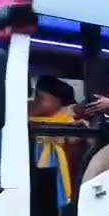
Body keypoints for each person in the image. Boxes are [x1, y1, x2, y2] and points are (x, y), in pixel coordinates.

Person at [29, 75, 88, 208]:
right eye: (35, 97)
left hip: (53, 166)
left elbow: (73, 140)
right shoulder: (25, 118)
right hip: (30, 164)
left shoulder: (65, 120)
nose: (36, 101)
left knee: (51, 196)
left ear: (57, 102)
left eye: (41, 97)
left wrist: (80, 130)